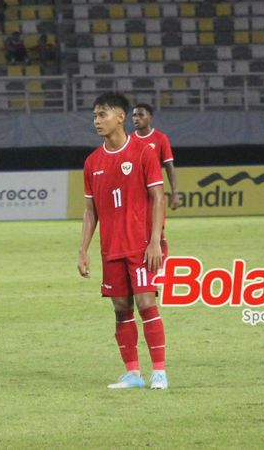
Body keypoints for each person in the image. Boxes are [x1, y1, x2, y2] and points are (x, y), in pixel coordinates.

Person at [77, 92, 169, 390]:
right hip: (111, 248)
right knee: (120, 308)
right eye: (94, 115)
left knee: (146, 302)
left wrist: (155, 240)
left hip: (141, 246)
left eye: (103, 114)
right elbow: (91, 210)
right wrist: (83, 250)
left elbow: (158, 197)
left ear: (120, 117)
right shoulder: (92, 162)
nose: (97, 120)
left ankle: (159, 372)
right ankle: (132, 373)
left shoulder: (143, 152)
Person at [130, 103, 181, 210]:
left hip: (155, 191)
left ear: (150, 118)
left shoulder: (161, 138)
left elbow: (169, 167)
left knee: (155, 225)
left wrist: (175, 192)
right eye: (134, 115)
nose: (136, 118)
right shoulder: (128, 140)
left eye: (141, 115)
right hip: (134, 193)